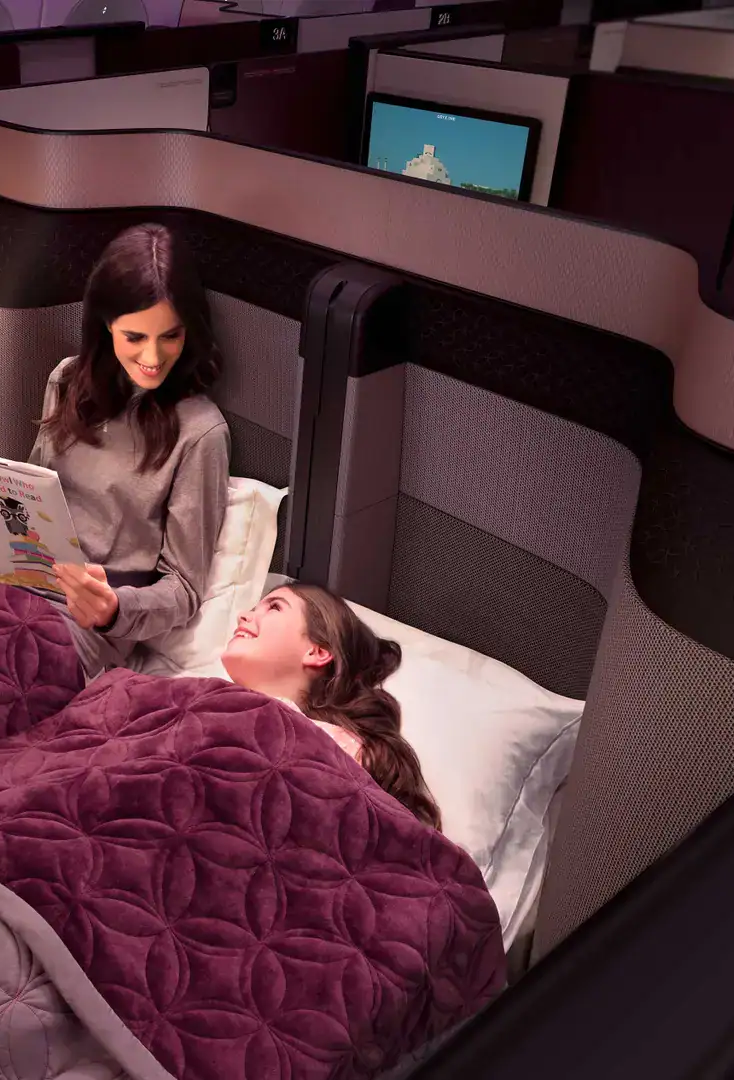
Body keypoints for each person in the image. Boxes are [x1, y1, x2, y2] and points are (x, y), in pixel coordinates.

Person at [34, 224, 230, 678]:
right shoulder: (68, 381)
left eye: (171, 336)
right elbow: (34, 496)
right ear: (106, 327)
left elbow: (184, 588)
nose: (154, 357)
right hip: (11, 587)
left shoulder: (200, 432)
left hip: (82, 626)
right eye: (135, 337)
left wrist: (114, 608)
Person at [221, 583, 443, 830]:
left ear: (317, 651)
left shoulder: (338, 748)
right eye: (255, 607)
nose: (244, 615)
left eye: (274, 607)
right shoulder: (200, 698)